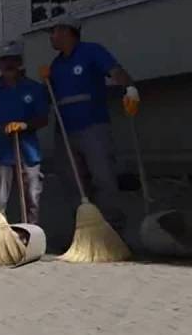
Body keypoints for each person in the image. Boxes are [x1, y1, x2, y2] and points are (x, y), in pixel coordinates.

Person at [45, 15, 139, 229]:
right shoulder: (56, 65)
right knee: (75, 183)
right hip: (65, 133)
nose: (51, 37)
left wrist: (130, 89)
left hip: (93, 128)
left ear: (68, 31)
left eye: (54, 31)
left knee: (103, 178)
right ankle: (85, 232)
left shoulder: (91, 51)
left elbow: (116, 72)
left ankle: (113, 229)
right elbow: (49, 98)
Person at [0, 42, 50, 224]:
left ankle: (30, 234)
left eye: (13, 60)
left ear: (20, 62)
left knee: (32, 199)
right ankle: (1, 237)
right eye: (4, 61)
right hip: (0, 152)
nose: (9, 65)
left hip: (28, 153)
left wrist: (24, 125)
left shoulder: (34, 89)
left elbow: (44, 118)